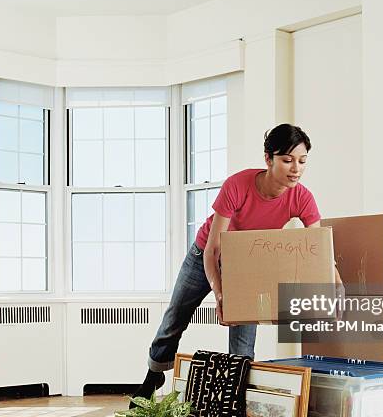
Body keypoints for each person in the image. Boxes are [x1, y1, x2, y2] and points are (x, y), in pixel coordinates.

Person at [132, 123, 343, 399]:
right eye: (287, 160)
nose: (296, 169)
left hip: (247, 267)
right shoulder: (238, 185)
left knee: (243, 344)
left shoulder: (302, 197)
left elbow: (317, 251)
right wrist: (220, 293)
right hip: (204, 255)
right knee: (174, 319)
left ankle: (234, 400)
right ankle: (153, 376)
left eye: (302, 161)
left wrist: (336, 284)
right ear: (268, 159)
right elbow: (213, 250)